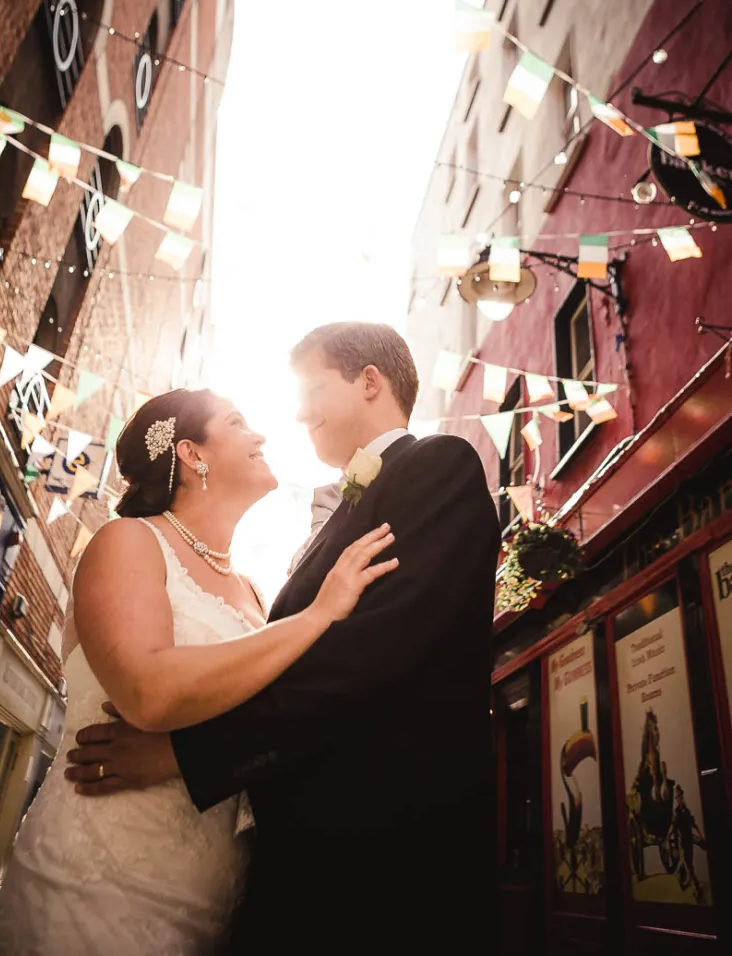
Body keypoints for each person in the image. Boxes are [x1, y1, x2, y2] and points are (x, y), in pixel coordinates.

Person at [67, 322, 502, 953]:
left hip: (388, 870)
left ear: (370, 383)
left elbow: (367, 659)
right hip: (294, 866)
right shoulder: (328, 524)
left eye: (312, 389)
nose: (296, 414)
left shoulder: (438, 467)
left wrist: (186, 757)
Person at [0, 388, 398, 956]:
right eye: (238, 422)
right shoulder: (128, 541)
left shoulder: (255, 593)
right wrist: (319, 616)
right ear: (192, 453)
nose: (260, 436)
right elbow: (149, 693)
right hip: (97, 883)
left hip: (215, 897)